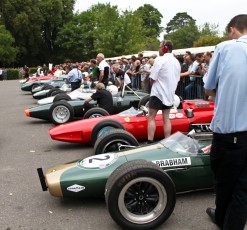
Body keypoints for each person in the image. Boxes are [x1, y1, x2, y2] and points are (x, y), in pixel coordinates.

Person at [204, 14, 247, 230]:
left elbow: (209, 88)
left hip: (231, 134)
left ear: (233, 29)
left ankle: (223, 218)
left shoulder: (226, 48)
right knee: (242, 189)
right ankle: (225, 217)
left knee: (224, 184)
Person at [147, 40, 181, 143]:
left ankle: (150, 140)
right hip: (169, 94)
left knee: (151, 117)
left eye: (159, 47)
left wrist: (153, 82)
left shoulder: (159, 60)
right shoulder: (176, 62)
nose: (158, 49)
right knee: (166, 119)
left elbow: (152, 78)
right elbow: (177, 79)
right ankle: (167, 140)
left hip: (158, 93)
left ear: (165, 48)